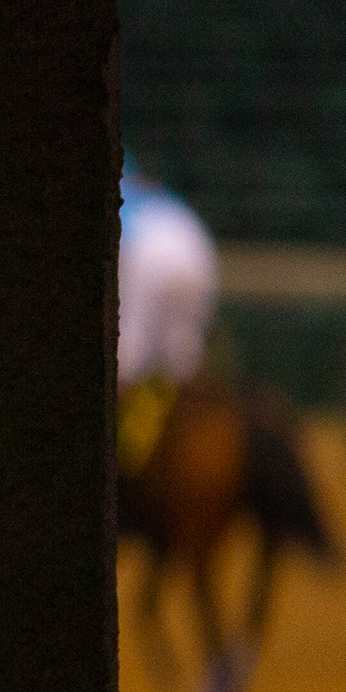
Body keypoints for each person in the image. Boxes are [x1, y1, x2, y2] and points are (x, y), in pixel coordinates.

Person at [118, 163, 218, 473]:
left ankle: (129, 458)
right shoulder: (165, 201)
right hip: (198, 251)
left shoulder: (126, 196)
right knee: (179, 368)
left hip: (146, 252)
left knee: (126, 365)